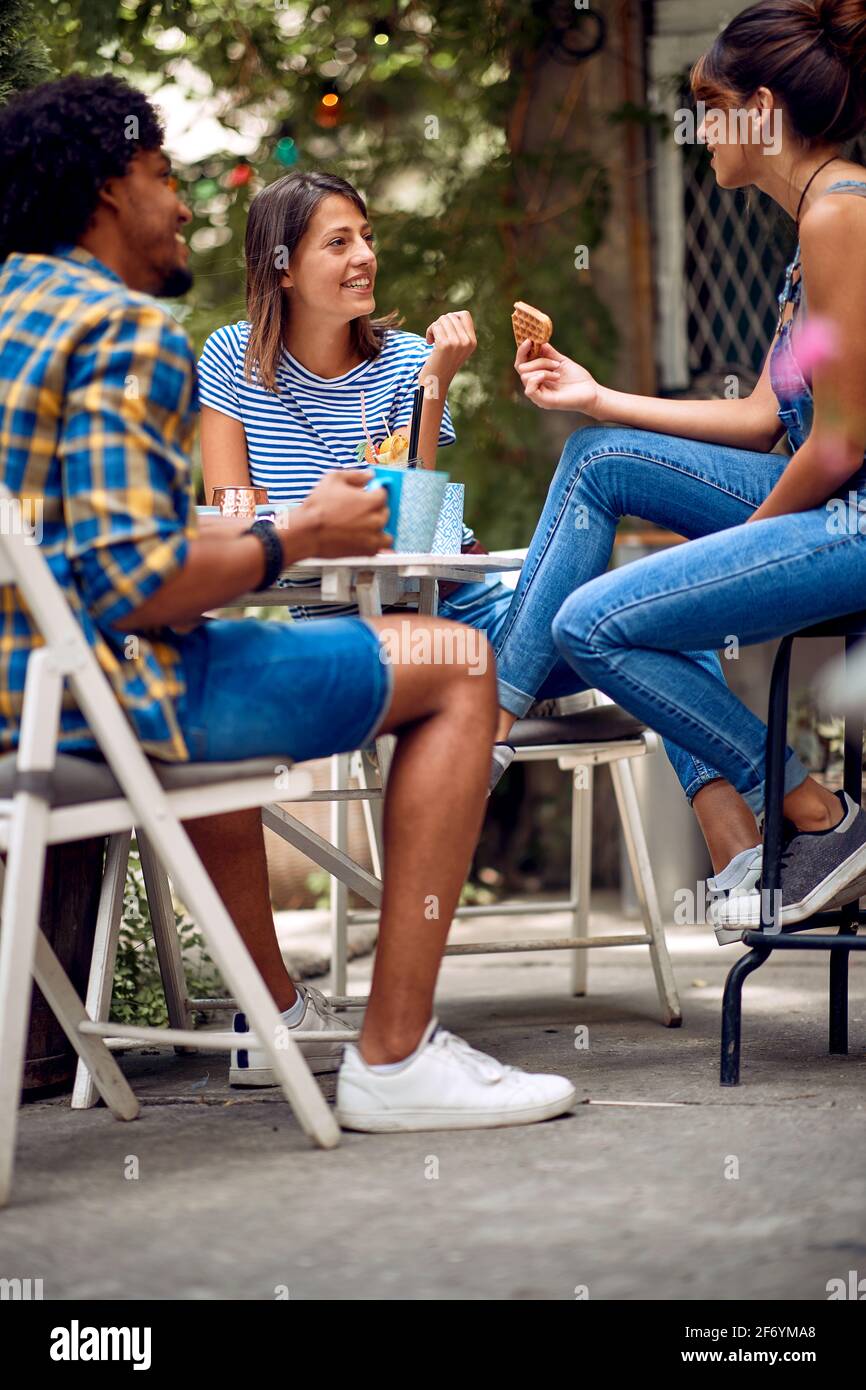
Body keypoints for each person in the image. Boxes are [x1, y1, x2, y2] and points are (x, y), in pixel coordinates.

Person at [0, 73, 575, 1131]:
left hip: (19, 699)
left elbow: (99, 544)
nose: (182, 205)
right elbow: (139, 582)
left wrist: (253, 530)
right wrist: (296, 534)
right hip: (109, 697)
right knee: (454, 665)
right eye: (163, 177)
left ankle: (269, 1015)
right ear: (104, 192)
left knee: (239, 649)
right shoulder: (124, 331)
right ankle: (394, 1057)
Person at [493, 0, 866, 940]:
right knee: (599, 456)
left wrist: (747, 543)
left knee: (595, 621)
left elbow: (837, 444)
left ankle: (813, 812)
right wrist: (599, 397)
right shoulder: (816, 219)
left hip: (852, 516)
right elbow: (761, 418)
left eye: (709, 105)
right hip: (830, 506)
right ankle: (495, 719)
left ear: (761, 109)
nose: (698, 130)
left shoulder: (842, 219)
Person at [197, 170, 590, 712]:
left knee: (641, 628)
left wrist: (436, 383)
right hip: (346, 631)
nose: (364, 255)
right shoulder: (229, 358)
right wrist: (327, 520)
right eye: (339, 242)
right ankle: (502, 704)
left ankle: (501, 701)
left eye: (367, 237)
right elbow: (231, 519)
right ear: (282, 269)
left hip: (463, 605)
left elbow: (424, 532)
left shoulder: (409, 358)